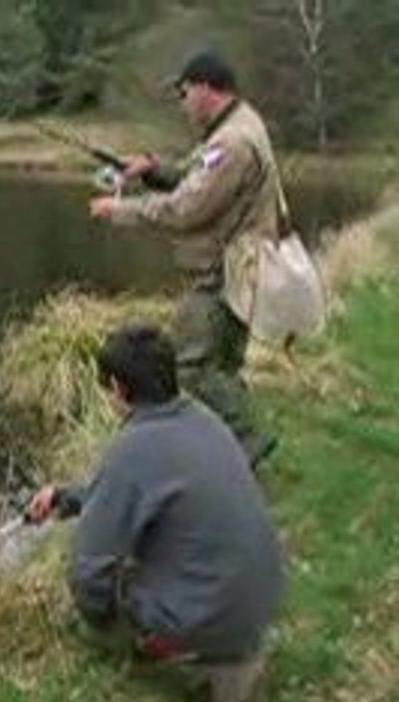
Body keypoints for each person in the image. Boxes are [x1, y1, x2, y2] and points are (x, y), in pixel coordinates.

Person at [27, 324, 284, 702]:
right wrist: (64, 498)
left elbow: (87, 572)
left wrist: (101, 614)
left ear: (116, 387)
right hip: (262, 602)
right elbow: (141, 488)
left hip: (213, 622)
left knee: (92, 598)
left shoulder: (133, 448)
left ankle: (172, 658)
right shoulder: (203, 418)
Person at [88, 50, 283, 466]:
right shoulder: (235, 124)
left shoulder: (232, 142)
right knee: (222, 364)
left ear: (205, 88)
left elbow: (186, 208)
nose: (181, 101)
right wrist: (151, 169)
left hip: (225, 271)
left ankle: (250, 441)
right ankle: (232, 446)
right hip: (241, 265)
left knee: (188, 364)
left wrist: (121, 209)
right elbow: (197, 178)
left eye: (183, 91)